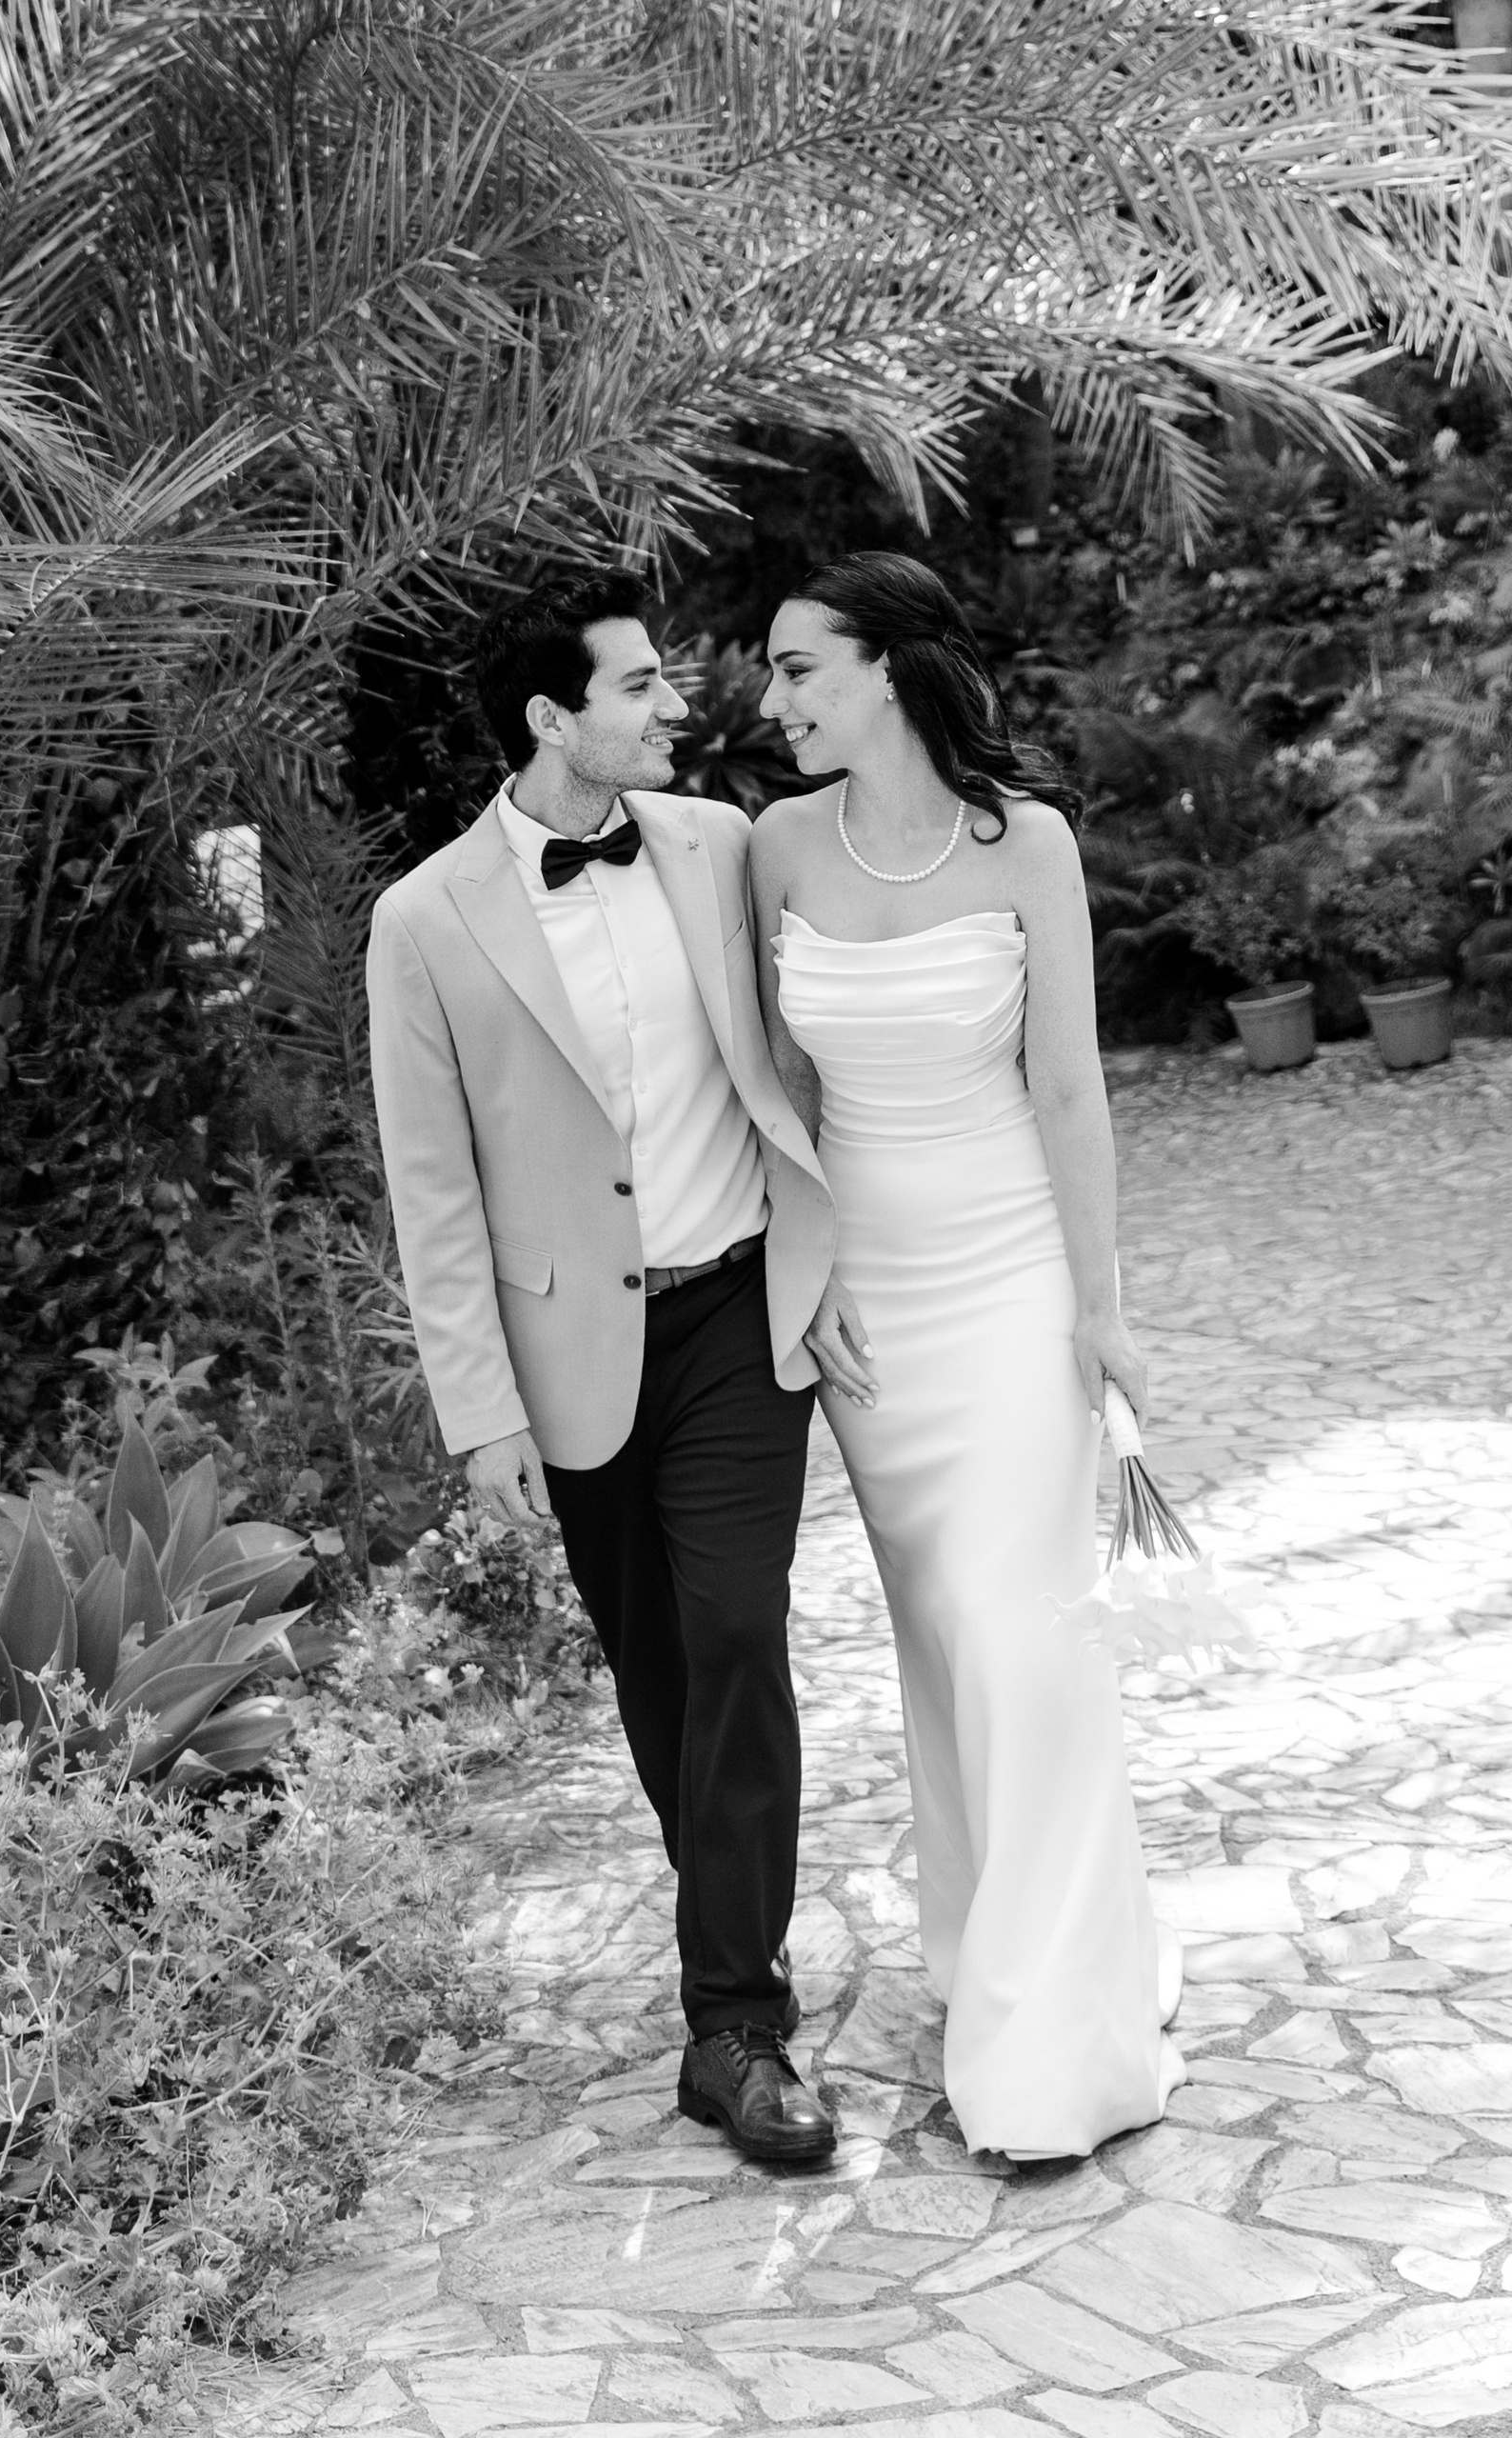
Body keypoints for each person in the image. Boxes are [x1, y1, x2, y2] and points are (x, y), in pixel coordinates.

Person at [367, 570, 846, 2162]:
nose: (676, 705)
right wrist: (477, 1404)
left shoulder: (717, 847)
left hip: (732, 1317)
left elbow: (821, 1029)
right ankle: (729, 1962)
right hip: (573, 1348)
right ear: (549, 720)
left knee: (734, 1627)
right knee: (656, 1675)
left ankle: (739, 2026)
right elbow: (431, 1187)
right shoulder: (425, 921)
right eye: (638, 687)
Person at [749, 550, 1185, 2162]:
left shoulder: (1031, 847)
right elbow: (775, 1086)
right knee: (942, 1645)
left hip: (1007, 1283)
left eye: (800, 668)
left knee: (1025, 1634)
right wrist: (808, 1273)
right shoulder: (778, 848)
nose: (774, 700)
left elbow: (1070, 1088)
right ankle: (989, 1956)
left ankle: (1052, 2042)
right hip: (873, 1309)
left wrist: (1103, 1304)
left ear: (886, 669)